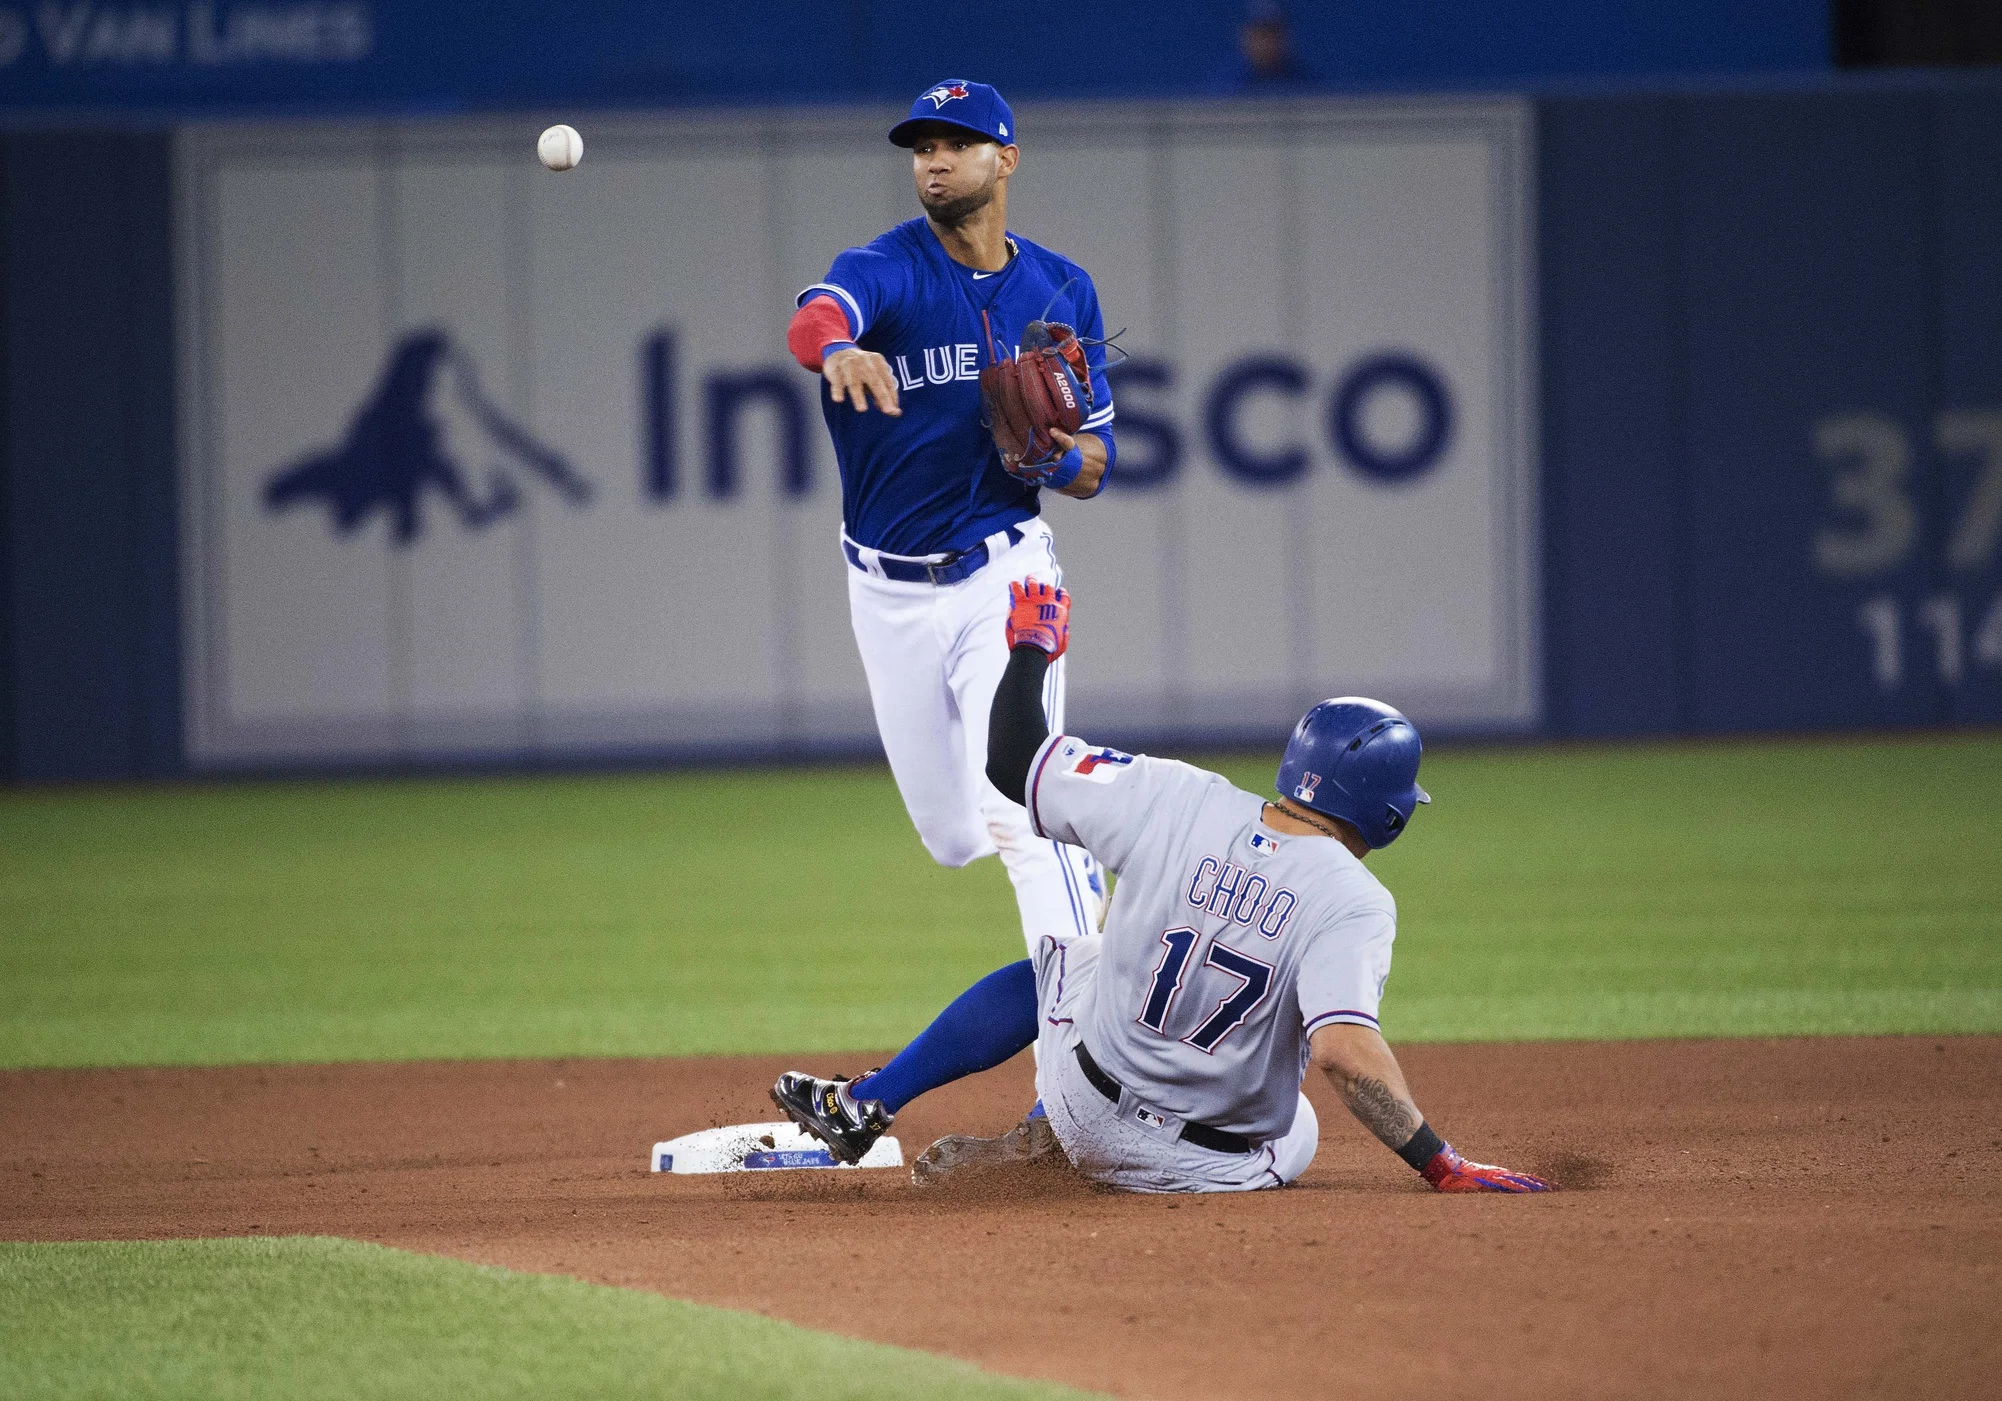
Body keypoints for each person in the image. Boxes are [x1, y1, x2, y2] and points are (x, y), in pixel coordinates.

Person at [771, 580, 1554, 1195]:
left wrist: (1031, 646)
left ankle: (870, 1102)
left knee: (1064, 962)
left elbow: (1012, 761)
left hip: (1083, 1102)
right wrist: (1440, 1162)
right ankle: (1062, 1152)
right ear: (1389, 816)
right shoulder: (1354, 901)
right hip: (1200, 1167)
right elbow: (1344, 1053)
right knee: (1301, 1122)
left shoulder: (1175, 794)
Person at [785, 80, 1116, 957]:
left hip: (1007, 573)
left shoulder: (1060, 289)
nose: (933, 161)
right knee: (953, 836)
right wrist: (840, 347)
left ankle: (1082, 1030)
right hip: (885, 588)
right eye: (923, 147)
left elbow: (1097, 463)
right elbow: (816, 318)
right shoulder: (886, 268)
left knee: (1019, 807)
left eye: (956, 144)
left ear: (1006, 159)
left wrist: (1053, 460)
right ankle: (1081, 845)